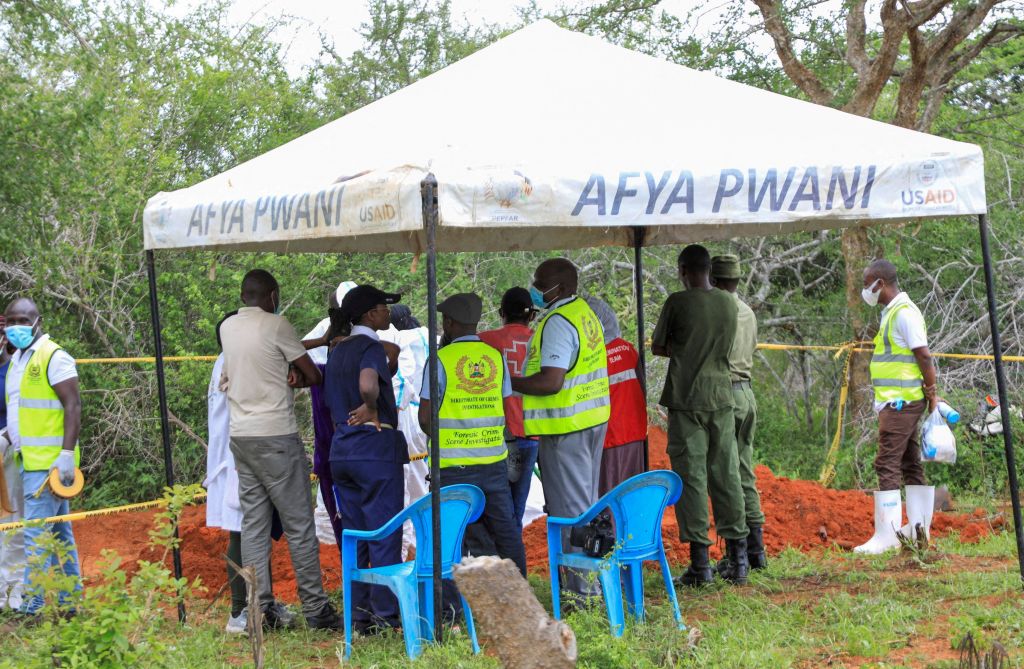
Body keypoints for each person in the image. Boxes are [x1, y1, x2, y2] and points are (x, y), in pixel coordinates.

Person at [219, 270, 341, 631]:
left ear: (244, 296)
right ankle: (317, 609)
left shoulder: (228, 329)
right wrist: (298, 375)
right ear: (272, 295)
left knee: (254, 525)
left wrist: (285, 371)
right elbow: (313, 374)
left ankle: (260, 609)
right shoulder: (277, 325)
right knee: (300, 523)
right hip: (275, 435)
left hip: (241, 437)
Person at [511, 259, 610, 603]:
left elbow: (551, 381)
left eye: (541, 283)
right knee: (584, 504)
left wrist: (510, 382)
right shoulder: (584, 312)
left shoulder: (557, 322)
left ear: (563, 288)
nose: (535, 289)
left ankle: (584, 595)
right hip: (590, 421)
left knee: (571, 512)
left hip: (566, 427)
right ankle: (590, 587)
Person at [652, 245, 749, 587]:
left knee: (691, 476)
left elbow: (658, 346)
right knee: (726, 472)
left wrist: (685, 347)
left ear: (683, 270)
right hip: (722, 396)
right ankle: (739, 559)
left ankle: (700, 565)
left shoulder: (677, 303)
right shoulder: (727, 302)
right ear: (709, 269)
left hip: (686, 398)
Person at [418, 293, 527, 576]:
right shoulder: (495, 357)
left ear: (450, 323)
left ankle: (452, 606)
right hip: (493, 463)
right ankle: (519, 591)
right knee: (505, 529)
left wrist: (446, 439)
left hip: (454, 467)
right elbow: (501, 405)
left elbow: (424, 417)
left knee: (452, 536)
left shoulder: (440, 359)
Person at [325, 285, 408, 633]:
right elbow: (368, 382)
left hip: (341, 451)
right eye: (383, 308)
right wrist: (372, 405)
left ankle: (359, 617)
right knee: (385, 532)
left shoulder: (337, 351)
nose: (388, 314)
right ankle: (386, 616)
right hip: (373, 450)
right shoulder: (369, 346)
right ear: (370, 315)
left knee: (356, 534)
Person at [206, 311, 291, 634]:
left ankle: (261, 605)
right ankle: (241, 611)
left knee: (251, 529)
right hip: (239, 454)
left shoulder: (227, 360)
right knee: (242, 531)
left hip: (238, 453)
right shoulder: (235, 361)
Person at [0, 298, 82, 618]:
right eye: (11, 321)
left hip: (48, 465)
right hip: (29, 461)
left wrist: (65, 455)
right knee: (61, 535)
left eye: (23, 319)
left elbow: (72, 406)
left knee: (36, 536)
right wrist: (7, 438)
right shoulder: (18, 360)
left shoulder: (54, 357)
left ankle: (32, 609)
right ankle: (69, 602)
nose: (16, 326)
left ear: (38, 321)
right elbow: (24, 412)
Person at [855, 259, 938, 554]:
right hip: (898, 400)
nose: (865, 290)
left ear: (881, 283)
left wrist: (933, 394)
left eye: (867, 284)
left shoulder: (904, 314)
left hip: (901, 402)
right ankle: (918, 530)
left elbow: (924, 357)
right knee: (909, 462)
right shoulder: (892, 312)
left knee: (886, 462)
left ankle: (887, 536)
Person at [710, 254, 767, 573]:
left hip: (724, 395)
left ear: (713, 280)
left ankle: (737, 557)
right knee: (745, 470)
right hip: (746, 393)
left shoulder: (718, 311)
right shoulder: (747, 311)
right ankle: (757, 552)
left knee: (725, 475)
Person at [478, 287, 539, 524]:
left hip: (495, 435)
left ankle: (491, 555)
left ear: (501, 312)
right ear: (532, 315)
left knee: (491, 506)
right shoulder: (540, 340)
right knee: (517, 506)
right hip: (530, 432)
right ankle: (512, 556)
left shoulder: (484, 340)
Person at [379, 304, 430, 558]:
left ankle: (413, 543)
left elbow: (401, 381)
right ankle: (424, 537)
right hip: (432, 412)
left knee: (409, 478)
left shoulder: (402, 340)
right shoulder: (432, 335)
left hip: (409, 413)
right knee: (423, 474)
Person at [585, 297, 647, 496]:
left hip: (608, 439)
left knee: (608, 498)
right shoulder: (628, 349)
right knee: (632, 495)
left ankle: (613, 528)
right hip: (635, 435)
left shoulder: (593, 358)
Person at [0, 319, 25, 612]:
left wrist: (6, 437)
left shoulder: (16, 369)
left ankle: (14, 590)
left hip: (10, 452)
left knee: (13, 522)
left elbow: (22, 410)